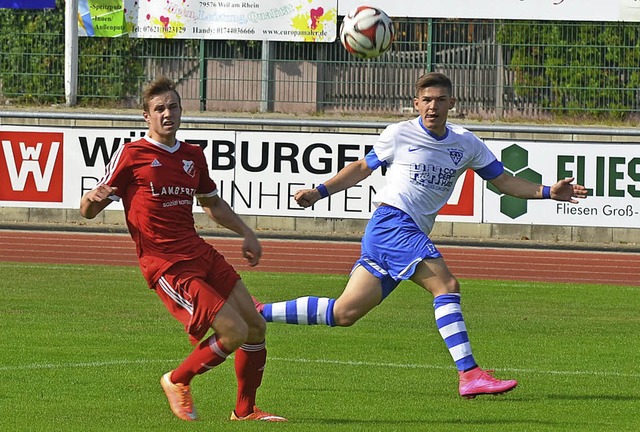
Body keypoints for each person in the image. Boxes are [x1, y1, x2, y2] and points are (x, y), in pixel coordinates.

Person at [256, 72, 589, 399]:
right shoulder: (399, 134)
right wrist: (318, 192)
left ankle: (256, 312)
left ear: (452, 103)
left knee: (344, 313)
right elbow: (361, 168)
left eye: (440, 100)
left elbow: (503, 181)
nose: (433, 107)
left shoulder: (465, 143)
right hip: (393, 223)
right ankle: (470, 374)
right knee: (445, 286)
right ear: (416, 103)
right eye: (427, 100)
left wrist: (548, 191)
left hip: (397, 231)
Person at [79, 76, 286, 422]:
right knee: (233, 331)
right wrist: (90, 199)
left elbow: (212, 204)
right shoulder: (133, 154)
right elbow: (88, 209)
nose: (167, 114)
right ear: (146, 116)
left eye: (172, 106)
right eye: (159, 108)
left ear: (181, 110)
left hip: (199, 252)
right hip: (166, 264)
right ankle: (177, 380)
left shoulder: (192, 155)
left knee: (255, 327)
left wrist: (247, 233)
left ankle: (245, 411)